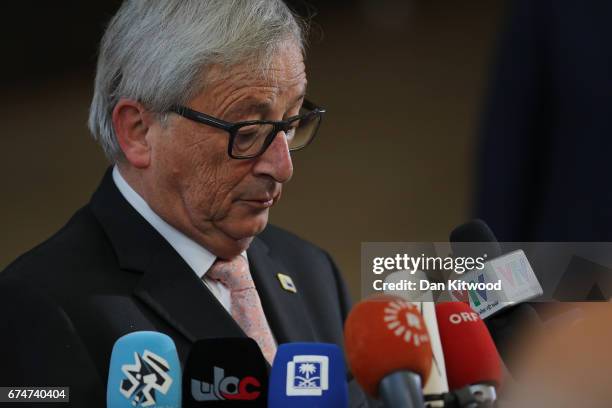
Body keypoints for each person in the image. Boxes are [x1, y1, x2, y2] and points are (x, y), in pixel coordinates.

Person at [0, 1, 369, 406]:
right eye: (248, 131)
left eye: (292, 121)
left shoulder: (312, 271)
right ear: (139, 131)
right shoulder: (39, 305)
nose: (282, 167)